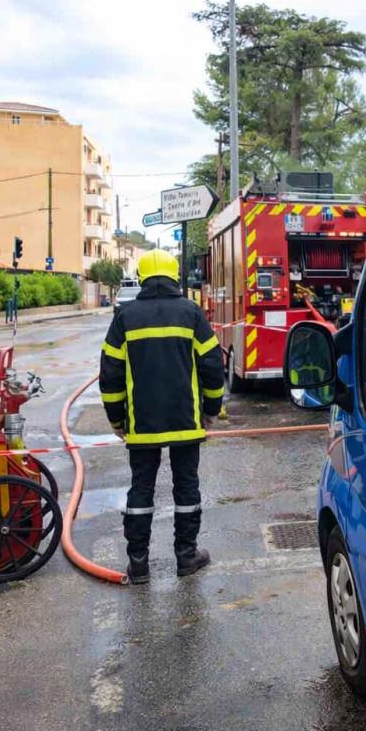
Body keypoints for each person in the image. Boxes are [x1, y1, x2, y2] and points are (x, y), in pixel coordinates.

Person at [99, 250, 225, 584]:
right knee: (187, 488)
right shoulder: (191, 313)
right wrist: (211, 411)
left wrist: (117, 420)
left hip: (141, 427)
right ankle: (186, 556)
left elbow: (110, 375)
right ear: (174, 277)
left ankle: (138, 564)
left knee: (141, 489)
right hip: (186, 423)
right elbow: (213, 365)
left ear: (141, 277)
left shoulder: (125, 317)